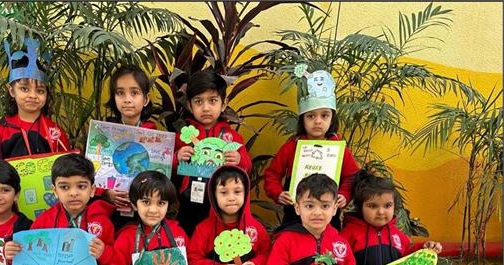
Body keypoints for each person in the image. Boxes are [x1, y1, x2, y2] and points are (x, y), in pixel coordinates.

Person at [263, 66, 359, 228]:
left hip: (329, 216)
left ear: (332, 118)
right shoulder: (291, 147)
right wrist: (277, 193)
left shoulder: (340, 149)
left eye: (324, 115)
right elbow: (272, 174)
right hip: (294, 215)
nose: (318, 121)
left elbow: (352, 177)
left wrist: (344, 195)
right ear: (302, 119)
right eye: (311, 116)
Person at [173, 70, 252, 236]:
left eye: (213, 100)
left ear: (223, 104)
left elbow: (247, 166)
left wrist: (239, 159)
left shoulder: (232, 137)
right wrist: (177, 157)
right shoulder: (183, 136)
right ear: (189, 105)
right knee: (188, 235)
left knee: (218, 237)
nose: (206, 108)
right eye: (198, 101)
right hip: (191, 201)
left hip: (222, 202)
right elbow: (168, 168)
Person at [0, 37, 70, 161]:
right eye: (24, 89)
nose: (32, 95)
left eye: (40, 91)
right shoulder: (0, 130)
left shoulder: (56, 132)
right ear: (12, 91)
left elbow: (67, 169)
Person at [101, 64, 158, 230]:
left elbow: (160, 171)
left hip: (145, 208)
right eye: (120, 93)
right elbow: (94, 170)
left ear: (146, 99)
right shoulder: (105, 134)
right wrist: (106, 193)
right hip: (112, 209)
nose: (127, 99)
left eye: (134, 93)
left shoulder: (154, 135)